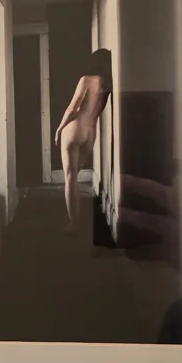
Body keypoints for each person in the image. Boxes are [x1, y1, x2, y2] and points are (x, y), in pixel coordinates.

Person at [54, 48, 112, 231]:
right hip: (90, 132)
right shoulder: (107, 86)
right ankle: (75, 216)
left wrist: (59, 129)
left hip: (76, 128)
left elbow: (72, 108)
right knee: (74, 175)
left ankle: (74, 222)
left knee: (70, 177)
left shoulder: (86, 79)